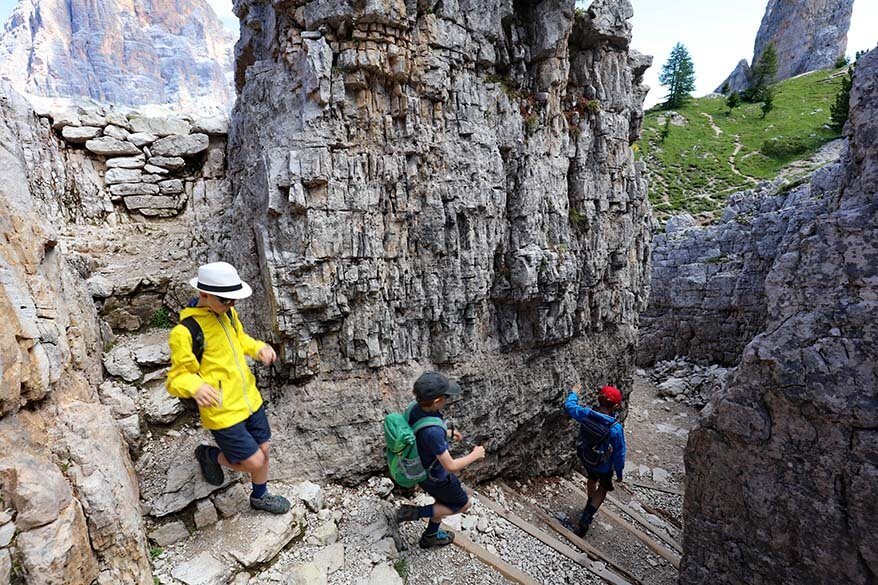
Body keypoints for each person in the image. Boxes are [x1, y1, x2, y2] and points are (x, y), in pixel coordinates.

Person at [166, 261, 290, 514]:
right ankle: (209, 456)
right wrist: (196, 386)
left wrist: (257, 348)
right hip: (222, 411)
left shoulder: (228, 314)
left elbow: (240, 339)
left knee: (264, 448)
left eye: (234, 300)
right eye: (226, 300)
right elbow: (176, 378)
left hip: (249, 400)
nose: (231, 305)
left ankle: (260, 496)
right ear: (203, 294)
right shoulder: (185, 332)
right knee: (254, 460)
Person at [394, 371, 486, 548]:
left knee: (443, 501)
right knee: (463, 504)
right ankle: (414, 513)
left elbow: (421, 431)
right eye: (446, 397)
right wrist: (476, 454)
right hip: (437, 478)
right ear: (437, 401)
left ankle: (430, 537)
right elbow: (451, 466)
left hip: (422, 471)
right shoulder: (434, 432)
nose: (447, 400)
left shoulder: (415, 407)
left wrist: (448, 433)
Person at [564, 383, 626, 536]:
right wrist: (619, 472)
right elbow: (619, 453)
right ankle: (587, 516)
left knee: (591, 478)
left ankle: (589, 501)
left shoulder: (586, 414)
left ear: (599, 399)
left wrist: (574, 393)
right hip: (603, 465)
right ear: (616, 405)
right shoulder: (615, 428)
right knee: (603, 487)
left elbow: (570, 406)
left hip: (587, 457)